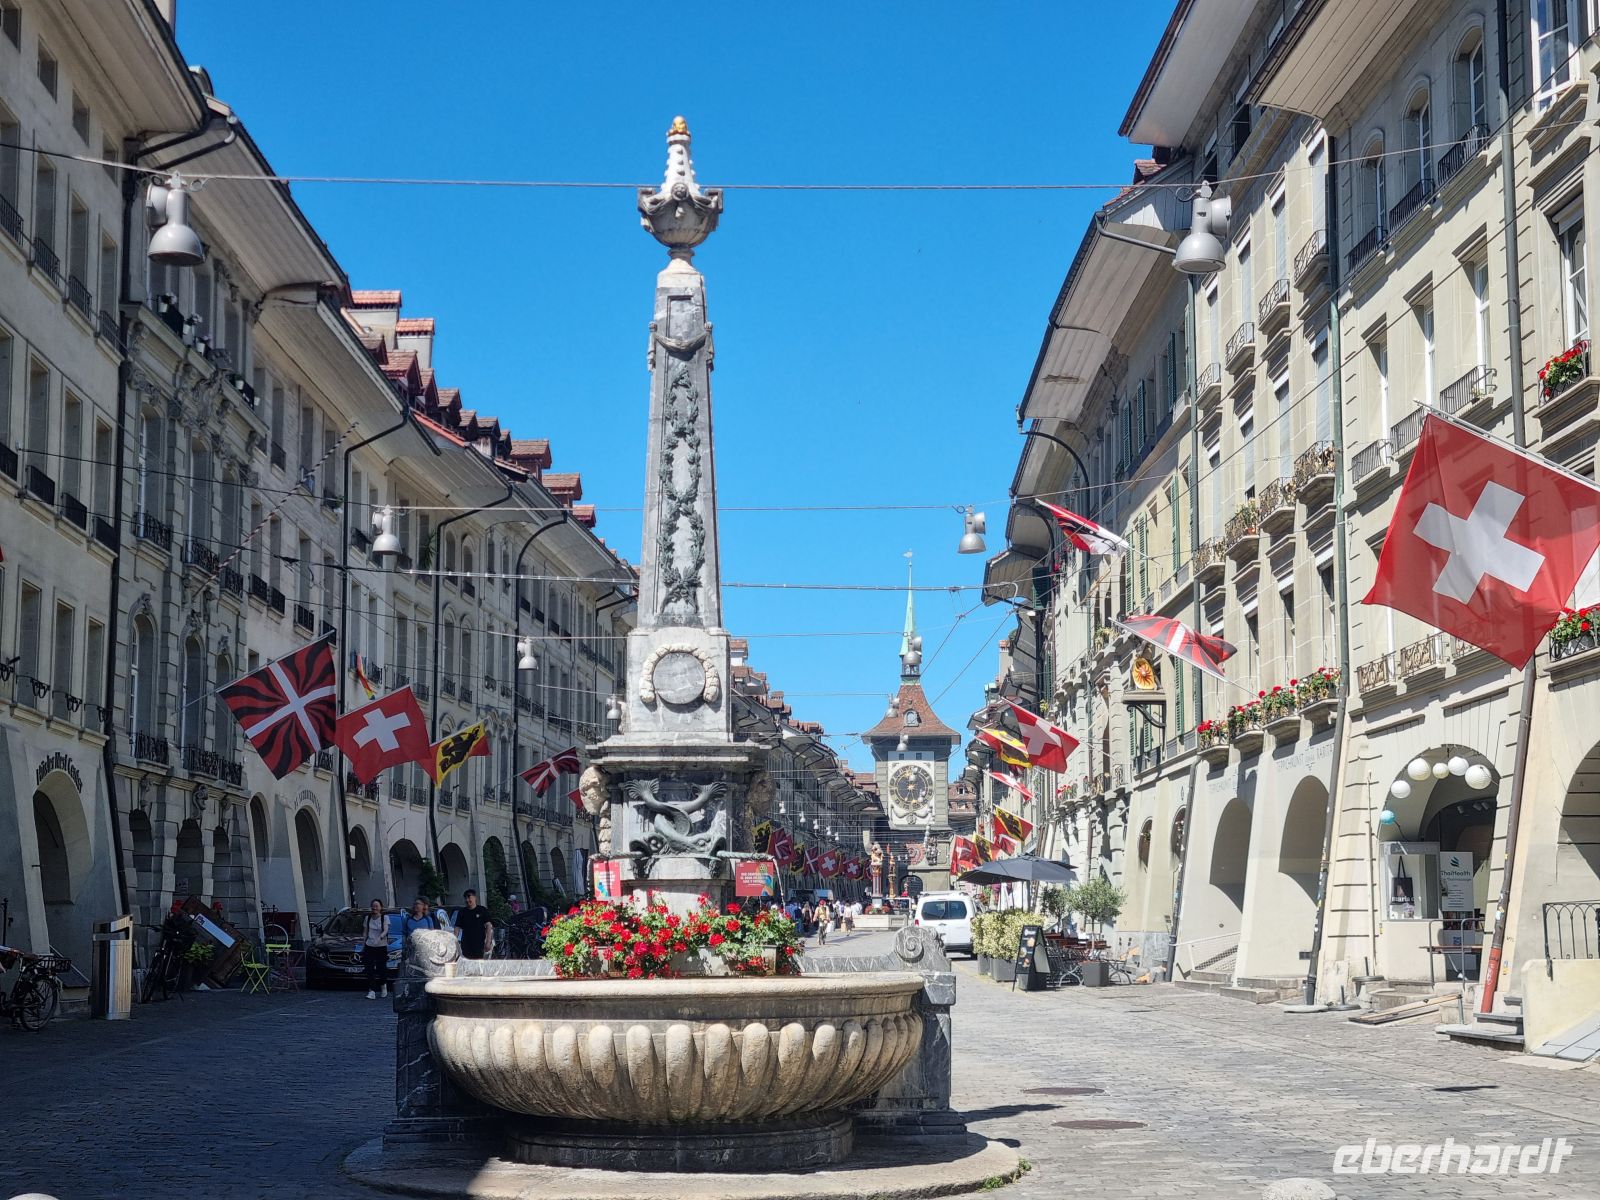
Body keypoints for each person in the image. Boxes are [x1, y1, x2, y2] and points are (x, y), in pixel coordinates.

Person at [360, 898, 390, 1000]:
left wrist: (380, 937)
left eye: (377, 906)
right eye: (373, 906)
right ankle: (371, 990)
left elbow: (386, 930)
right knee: (369, 968)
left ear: (381, 907)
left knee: (381, 968)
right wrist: (363, 944)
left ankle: (383, 986)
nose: (374, 908)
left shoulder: (384, 918)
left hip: (381, 946)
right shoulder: (367, 918)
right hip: (369, 945)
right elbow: (365, 931)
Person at [453, 889, 494, 960]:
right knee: (467, 964)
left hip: (479, 944)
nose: (467, 900)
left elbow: (488, 926)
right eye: (465, 898)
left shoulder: (482, 910)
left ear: (475, 897)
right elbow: (457, 928)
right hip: (466, 944)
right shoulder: (462, 912)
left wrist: (488, 942)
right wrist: (453, 942)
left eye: (469, 897)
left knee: (479, 965)